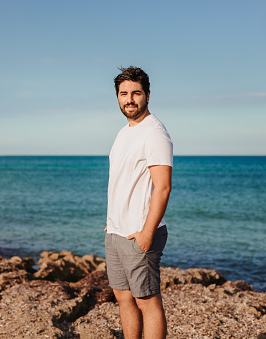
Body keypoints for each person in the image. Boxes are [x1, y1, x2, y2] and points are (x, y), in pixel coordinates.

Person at [105, 66, 173, 339]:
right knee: (123, 299)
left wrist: (147, 233)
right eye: (123, 94)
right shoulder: (124, 132)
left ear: (147, 95)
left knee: (148, 302)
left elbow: (163, 186)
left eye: (135, 93)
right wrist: (110, 225)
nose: (129, 99)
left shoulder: (154, 132)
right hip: (116, 232)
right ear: (118, 97)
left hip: (140, 234)